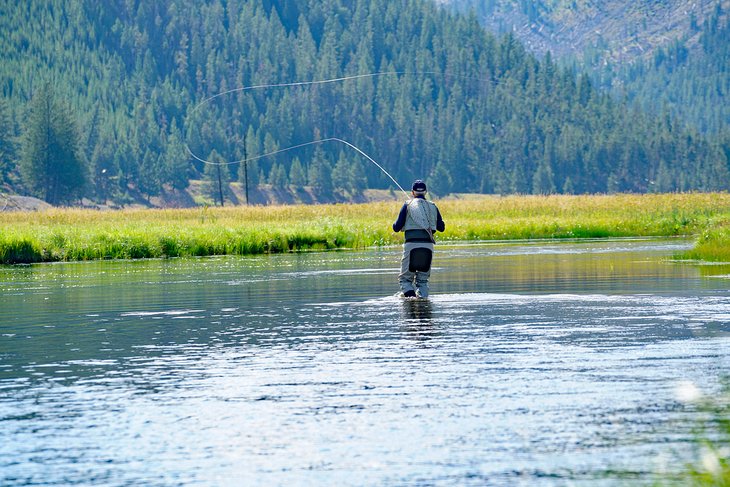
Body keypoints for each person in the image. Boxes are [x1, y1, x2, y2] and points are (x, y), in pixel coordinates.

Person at [392, 179, 445, 298]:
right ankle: (423, 303)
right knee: (422, 282)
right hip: (428, 247)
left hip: (411, 246)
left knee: (405, 280)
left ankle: (410, 302)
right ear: (425, 192)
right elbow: (441, 227)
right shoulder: (433, 206)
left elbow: (396, 227)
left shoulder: (407, 205)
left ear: (412, 192)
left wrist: (394, 224)